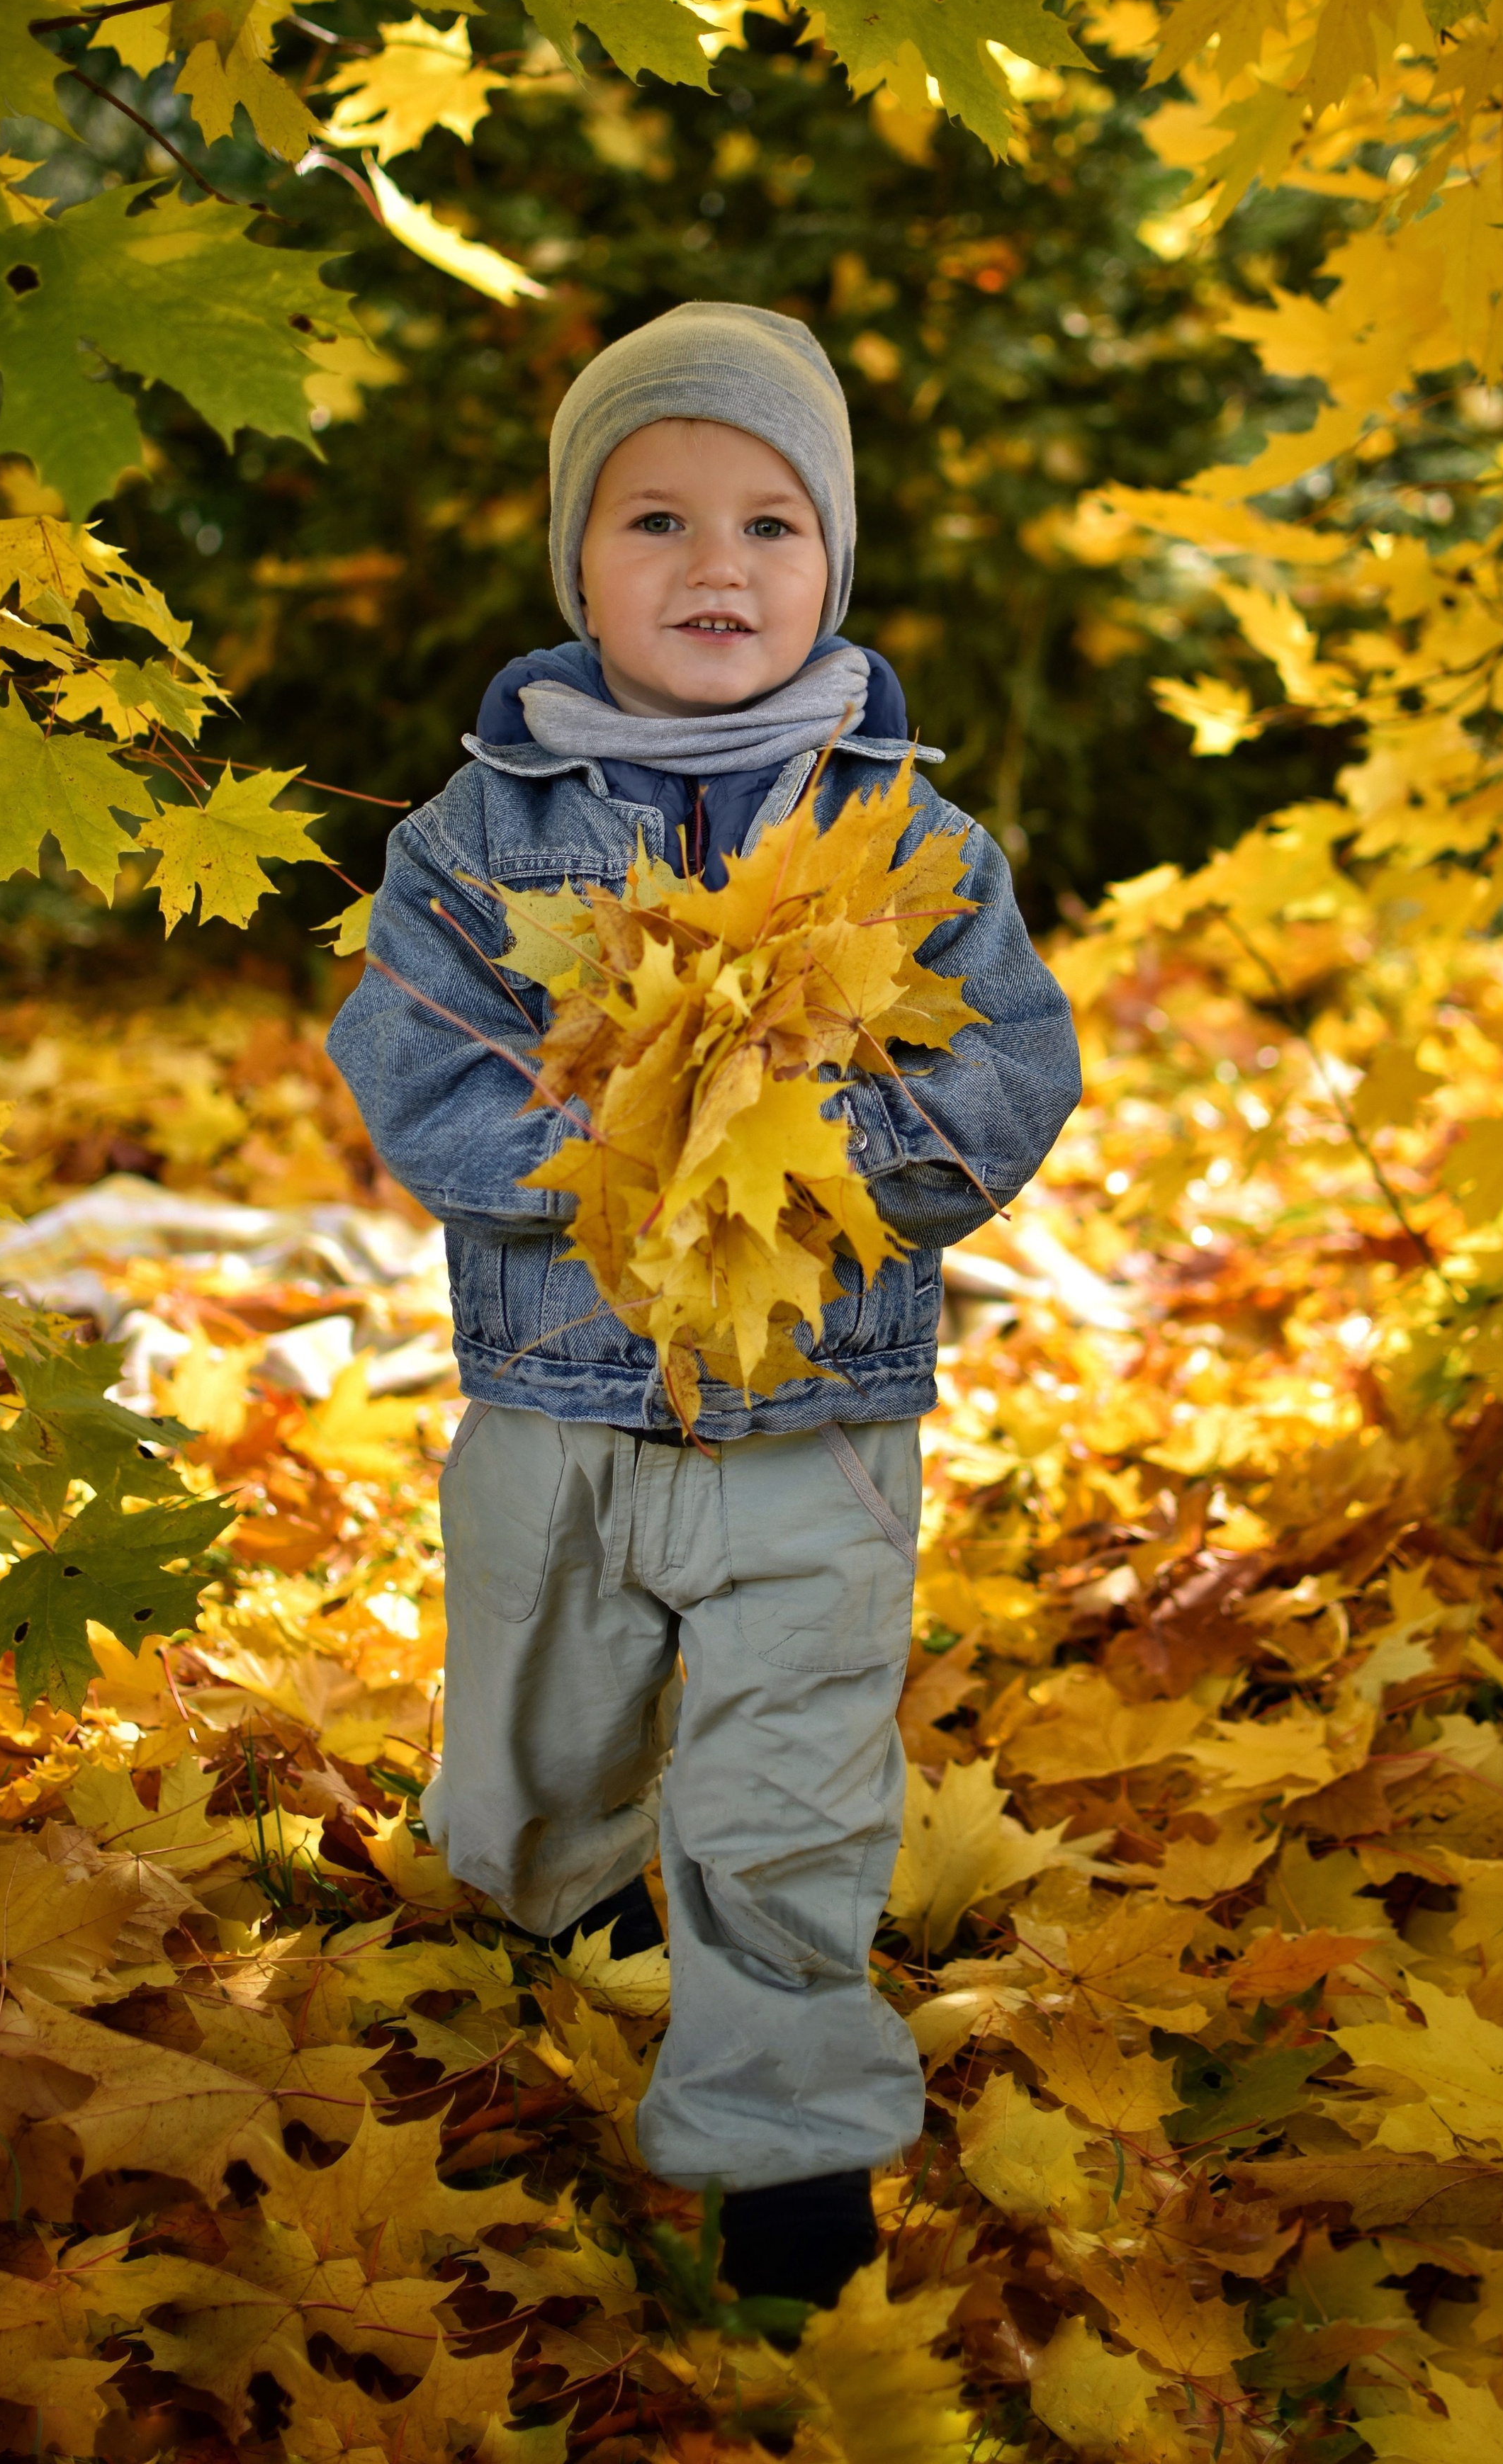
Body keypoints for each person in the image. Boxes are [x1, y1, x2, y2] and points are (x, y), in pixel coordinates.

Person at [327, 302, 1081, 2313]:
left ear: (832, 557)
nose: (715, 566)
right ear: (578, 561)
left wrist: (811, 1154)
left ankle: (790, 2159)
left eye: (769, 522)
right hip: (555, 1412)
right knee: (526, 1762)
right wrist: (628, 1158)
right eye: (654, 520)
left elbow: (1005, 1075)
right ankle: (557, 1920)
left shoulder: (913, 836)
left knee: (788, 1802)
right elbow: (411, 1060)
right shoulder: (475, 837)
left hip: (814, 1431)